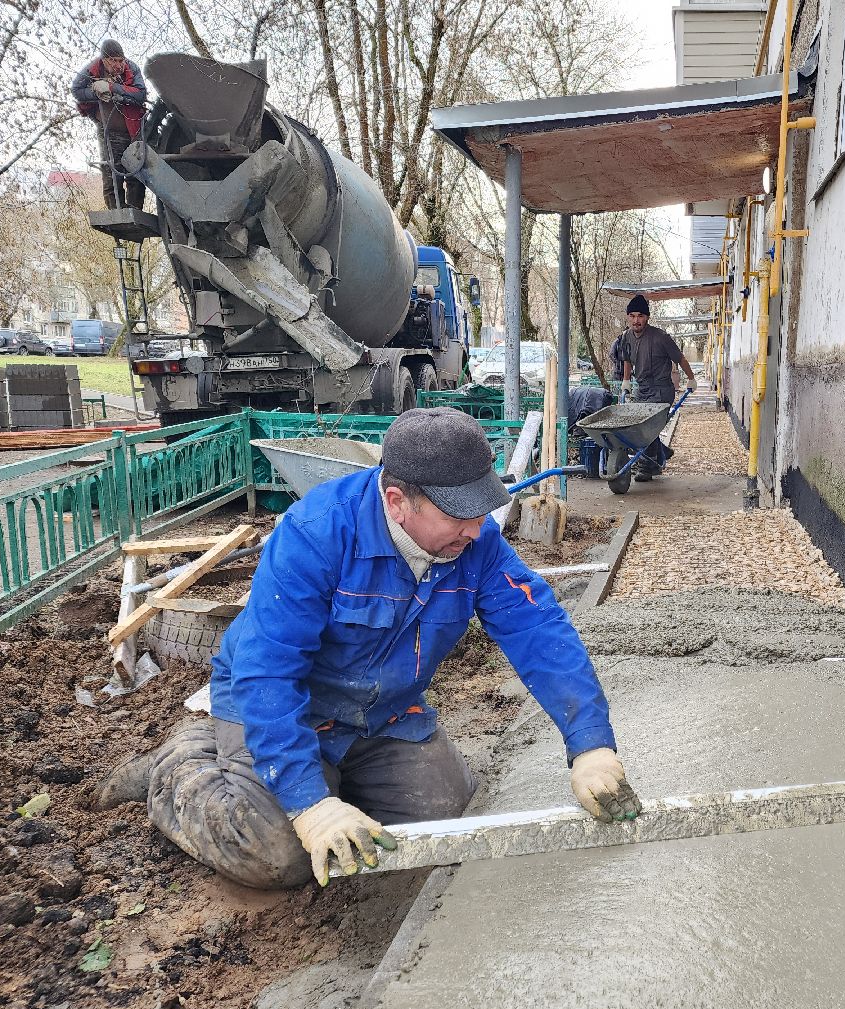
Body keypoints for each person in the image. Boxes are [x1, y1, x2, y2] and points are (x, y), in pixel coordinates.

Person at [100, 409, 641, 889]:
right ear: (397, 501)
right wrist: (310, 805)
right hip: (281, 708)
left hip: (381, 712)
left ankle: (333, 783)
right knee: (278, 856)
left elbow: (539, 631)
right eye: (459, 514)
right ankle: (182, 767)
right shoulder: (315, 535)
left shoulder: (476, 544)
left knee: (448, 821)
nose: (477, 530)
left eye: (482, 512)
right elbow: (267, 673)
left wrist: (589, 741)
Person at [614, 294, 695, 480]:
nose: (636, 320)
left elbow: (680, 358)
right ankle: (661, 453)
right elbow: (626, 359)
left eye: (640, 316)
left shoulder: (661, 337)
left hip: (661, 390)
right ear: (628, 317)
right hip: (641, 388)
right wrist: (626, 381)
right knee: (638, 426)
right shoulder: (626, 337)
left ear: (647, 317)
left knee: (647, 426)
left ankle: (646, 467)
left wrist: (691, 379)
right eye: (632, 316)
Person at [71, 40, 147, 210]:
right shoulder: (92, 69)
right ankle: (116, 210)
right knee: (111, 168)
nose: (119, 65)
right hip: (108, 129)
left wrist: (112, 87)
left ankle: (135, 210)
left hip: (133, 128)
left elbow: (140, 94)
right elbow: (76, 91)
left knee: (136, 169)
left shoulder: (132, 68)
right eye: (114, 61)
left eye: (121, 60)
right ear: (104, 59)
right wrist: (96, 93)